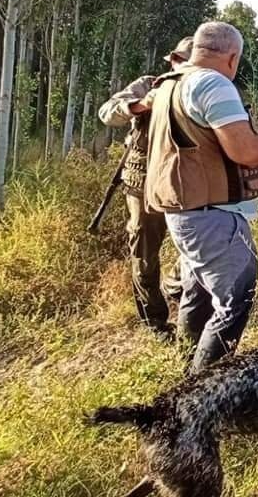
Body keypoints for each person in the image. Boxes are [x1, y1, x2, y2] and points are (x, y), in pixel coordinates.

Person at [145, 21, 258, 372]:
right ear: (233, 56)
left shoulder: (170, 83)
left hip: (184, 209)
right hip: (209, 215)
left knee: (199, 294)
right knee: (236, 298)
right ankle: (205, 388)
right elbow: (244, 150)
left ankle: (185, 370)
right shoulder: (212, 83)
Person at [97, 36, 192, 339]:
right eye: (177, 62)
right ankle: (154, 320)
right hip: (142, 181)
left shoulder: (198, 90)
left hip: (182, 182)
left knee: (195, 246)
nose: (179, 68)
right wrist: (140, 105)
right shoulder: (148, 84)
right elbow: (107, 112)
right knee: (145, 252)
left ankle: (174, 287)